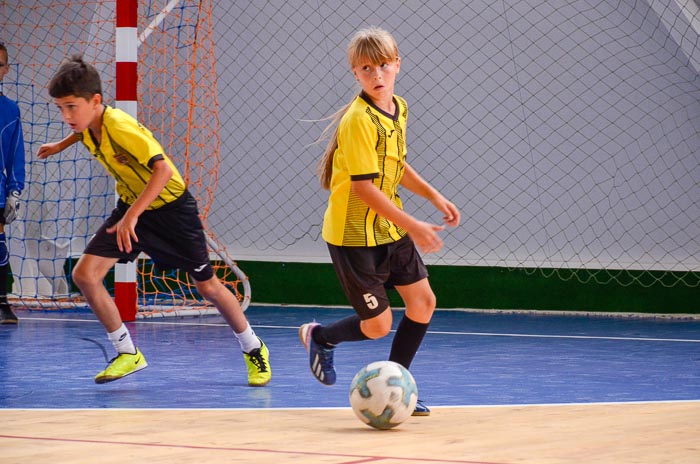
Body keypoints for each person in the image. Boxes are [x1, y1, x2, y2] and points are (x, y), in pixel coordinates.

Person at [37, 55, 271, 386]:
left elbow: (162, 170)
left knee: (208, 286)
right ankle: (127, 352)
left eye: (71, 107)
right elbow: (82, 132)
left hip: (172, 211)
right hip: (133, 208)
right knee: (85, 275)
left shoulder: (120, 127)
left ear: (96, 101)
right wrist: (60, 144)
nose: (66, 116)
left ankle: (253, 348)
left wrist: (131, 216)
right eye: (61, 108)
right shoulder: (89, 126)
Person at [299, 28, 460, 416]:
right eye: (367, 67)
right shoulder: (358, 120)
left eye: (384, 65)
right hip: (353, 235)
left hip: (389, 228)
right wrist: (417, 224)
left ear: (398, 65)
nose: (377, 74)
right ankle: (320, 336)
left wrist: (433, 195)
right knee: (377, 326)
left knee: (423, 303)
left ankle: (397, 388)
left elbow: (394, 164)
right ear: (355, 73)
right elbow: (364, 190)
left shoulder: (399, 108)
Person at [0, 43, 26, 325]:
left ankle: (2, 303)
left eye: (0, 64)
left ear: (5, 70)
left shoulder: (10, 111)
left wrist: (14, 191)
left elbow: (15, 155)